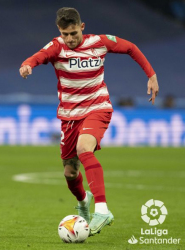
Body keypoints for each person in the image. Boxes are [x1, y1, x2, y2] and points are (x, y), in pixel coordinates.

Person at [19, 7, 159, 236]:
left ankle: (102, 210)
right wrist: (27, 66)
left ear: (82, 27)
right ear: (59, 31)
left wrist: (151, 75)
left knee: (85, 148)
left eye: (74, 33)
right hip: (69, 117)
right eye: (65, 34)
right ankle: (84, 202)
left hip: (97, 108)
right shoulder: (56, 47)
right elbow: (36, 57)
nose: (70, 39)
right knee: (70, 173)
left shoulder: (99, 42)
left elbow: (131, 48)